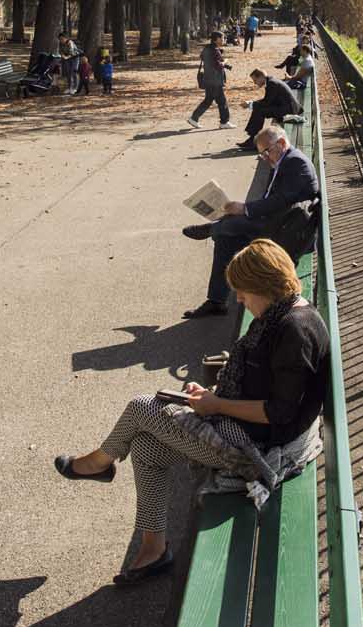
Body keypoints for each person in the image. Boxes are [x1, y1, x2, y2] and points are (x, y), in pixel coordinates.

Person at [55, 239, 330, 584]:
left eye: (243, 293)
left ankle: (97, 463)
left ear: (263, 284)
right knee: (145, 447)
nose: (241, 301)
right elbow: (260, 384)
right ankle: (153, 549)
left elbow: (279, 412)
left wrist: (216, 405)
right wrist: (212, 394)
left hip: (263, 449)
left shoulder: (294, 330)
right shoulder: (279, 315)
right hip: (247, 429)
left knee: (141, 407)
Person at [180, 125, 319, 317]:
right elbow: (270, 201)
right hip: (278, 224)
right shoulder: (282, 161)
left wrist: (245, 209)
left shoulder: (296, 163)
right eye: (261, 154)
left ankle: (213, 228)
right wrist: (244, 210)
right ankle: (216, 301)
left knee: (230, 225)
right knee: (225, 240)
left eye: (266, 152)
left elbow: (281, 201)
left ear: (281, 143)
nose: (265, 157)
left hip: (289, 235)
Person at [238, 69, 300, 150]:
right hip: (284, 107)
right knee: (258, 109)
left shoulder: (272, 83)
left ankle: (253, 141)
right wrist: (252, 103)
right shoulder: (271, 81)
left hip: (289, 109)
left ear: (261, 77)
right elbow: (267, 101)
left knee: (260, 111)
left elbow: (267, 103)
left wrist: (250, 104)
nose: (255, 83)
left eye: (255, 80)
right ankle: (252, 139)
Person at [187, 31, 232, 129]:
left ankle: (194, 118)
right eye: (222, 38)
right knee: (222, 101)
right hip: (215, 80)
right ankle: (224, 122)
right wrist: (224, 62)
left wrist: (221, 56)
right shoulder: (214, 50)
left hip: (208, 79)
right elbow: (217, 65)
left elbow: (205, 58)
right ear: (217, 39)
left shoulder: (208, 48)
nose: (224, 40)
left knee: (208, 101)